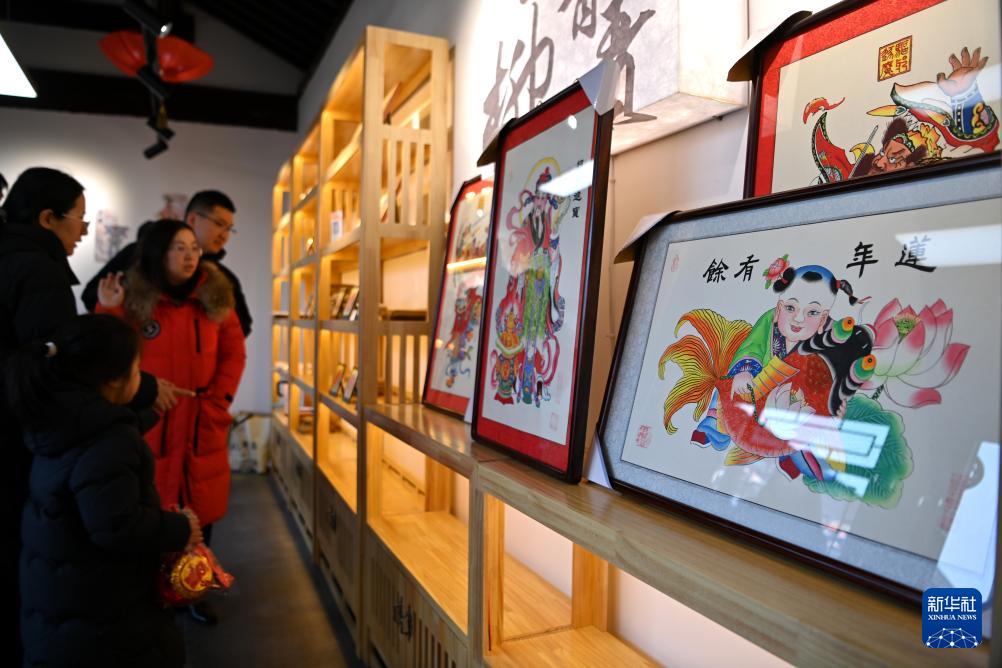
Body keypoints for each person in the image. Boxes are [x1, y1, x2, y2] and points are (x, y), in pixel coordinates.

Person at [7, 313, 202, 667]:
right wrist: (181, 528)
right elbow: (118, 526)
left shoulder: (54, 421)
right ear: (113, 379)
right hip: (105, 623)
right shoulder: (110, 442)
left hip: (62, 611)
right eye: (137, 368)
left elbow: (94, 461)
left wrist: (144, 417)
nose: (142, 376)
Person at [97, 218, 246, 625]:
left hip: (201, 419)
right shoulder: (134, 297)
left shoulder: (215, 297)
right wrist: (109, 309)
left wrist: (219, 401)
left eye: (193, 248)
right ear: (159, 253)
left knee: (199, 512)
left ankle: (193, 591)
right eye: (179, 248)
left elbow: (234, 351)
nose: (190, 255)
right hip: (151, 419)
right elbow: (109, 353)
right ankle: (151, 594)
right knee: (149, 511)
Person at [83, 190, 252, 337]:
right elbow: (94, 296)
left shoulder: (223, 278)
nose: (224, 235)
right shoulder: (139, 254)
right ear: (193, 219)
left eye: (229, 229)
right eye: (219, 224)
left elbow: (238, 330)